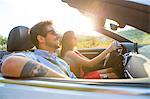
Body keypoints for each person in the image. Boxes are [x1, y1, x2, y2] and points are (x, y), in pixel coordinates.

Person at [1, 21, 76, 79]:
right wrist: (65, 80)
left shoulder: (62, 62)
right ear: (41, 38)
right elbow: (10, 64)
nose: (58, 35)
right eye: (53, 33)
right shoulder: (31, 57)